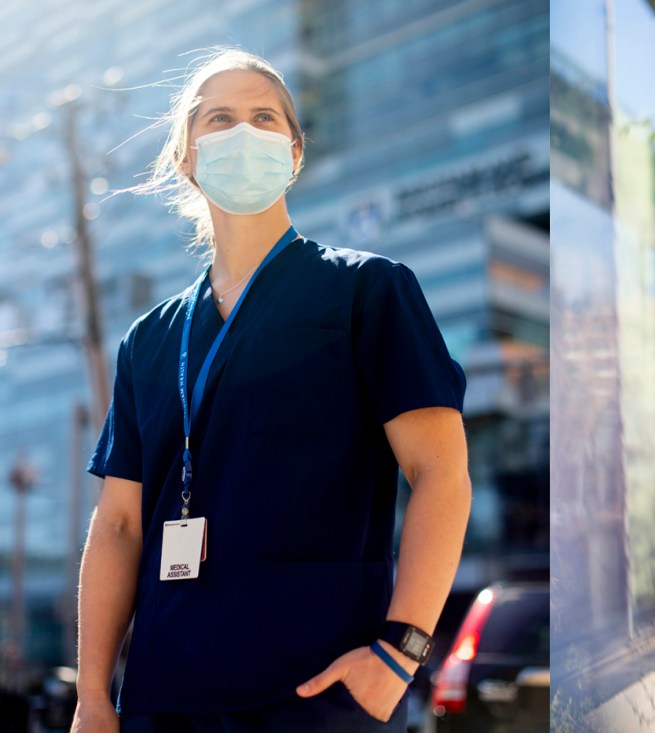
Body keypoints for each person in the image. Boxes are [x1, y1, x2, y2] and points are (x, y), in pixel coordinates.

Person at [70, 49, 471, 733]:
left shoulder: (368, 292)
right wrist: (92, 696)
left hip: (317, 690)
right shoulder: (150, 340)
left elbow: (441, 473)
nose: (243, 132)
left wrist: (400, 653)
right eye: (219, 119)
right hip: (165, 696)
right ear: (187, 157)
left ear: (293, 151)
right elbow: (117, 526)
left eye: (263, 116)